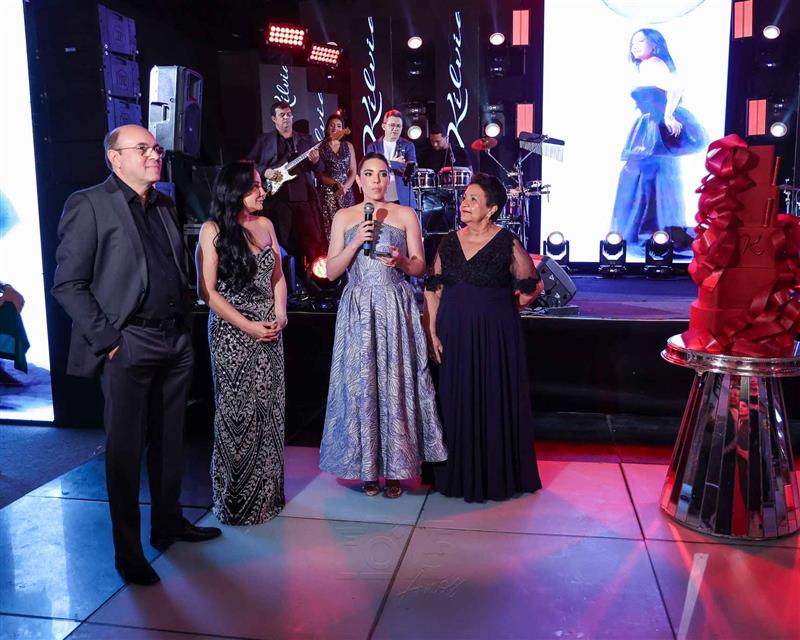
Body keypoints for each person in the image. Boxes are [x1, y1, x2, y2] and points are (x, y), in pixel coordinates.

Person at [51, 125, 221, 585]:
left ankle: (167, 524)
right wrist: (110, 340)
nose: (154, 154)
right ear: (115, 157)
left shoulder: (164, 203)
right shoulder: (89, 204)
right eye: (142, 148)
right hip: (128, 343)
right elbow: (68, 285)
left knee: (170, 441)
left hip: (174, 340)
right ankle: (128, 553)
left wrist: (184, 328)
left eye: (155, 147)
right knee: (125, 451)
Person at [319, 152, 447, 498]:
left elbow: (420, 267)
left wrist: (402, 261)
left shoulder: (405, 214)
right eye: (369, 174)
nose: (376, 180)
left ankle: (396, 468)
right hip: (359, 307)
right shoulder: (345, 217)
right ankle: (367, 468)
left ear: (389, 178)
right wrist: (355, 241)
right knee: (362, 383)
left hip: (394, 305)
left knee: (394, 382)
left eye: (382, 174)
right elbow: (331, 271)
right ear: (359, 179)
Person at [424, 173, 543, 503]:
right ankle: (456, 475)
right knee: (454, 398)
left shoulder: (507, 242)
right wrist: (431, 331)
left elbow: (531, 287)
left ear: (492, 209)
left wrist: (501, 310)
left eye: (473, 199)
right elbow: (434, 290)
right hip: (454, 332)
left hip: (495, 336)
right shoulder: (448, 242)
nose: (464, 203)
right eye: (465, 197)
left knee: (492, 399)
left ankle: (494, 476)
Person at [196, 161, 288, 526]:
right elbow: (208, 292)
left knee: (269, 411)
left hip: (270, 331)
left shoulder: (266, 225)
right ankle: (235, 503)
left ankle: (268, 499)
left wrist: (281, 313)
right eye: (254, 187)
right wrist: (249, 327)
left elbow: (277, 277)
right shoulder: (213, 230)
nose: (262, 191)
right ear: (234, 191)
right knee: (238, 414)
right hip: (233, 333)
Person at [609, 28, 706, 248]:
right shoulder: (648, 65)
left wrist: (668, 115)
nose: (635, 46)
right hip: (650, 126)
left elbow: (676, 88)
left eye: (640, 41)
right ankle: (653, 232)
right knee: (652, 178)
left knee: (644, 177)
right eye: (633, 42)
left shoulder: (653, 64)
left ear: (654, 44)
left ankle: (648, 233)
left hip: (655, 128)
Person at [246, 100, 326, 266]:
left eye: (289, 114)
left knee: (311, 242)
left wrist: (316, 161)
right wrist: (265, 171)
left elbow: (321, 168)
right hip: (278, 200)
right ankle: (287, 276)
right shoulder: (264, 140)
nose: (286, 118)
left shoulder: (305, 140)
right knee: (283, 242)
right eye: (282, 115)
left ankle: (313, 276)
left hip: (303, 198)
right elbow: (249, 162)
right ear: (273, 119)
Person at [416, 123, 474, 236]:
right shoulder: (425, 153)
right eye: (432, 141)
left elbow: (470, 173)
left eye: (438, 141)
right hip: (431, 195)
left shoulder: (459, 152)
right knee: (424, 214)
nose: (435, 144)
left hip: (455, 194)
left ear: (446, 137)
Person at [315, 114, 356, 241]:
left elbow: (353, 171)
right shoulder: (320, 147)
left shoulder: (348, 145)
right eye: (331, 125)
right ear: (327, 128)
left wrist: (345, 187)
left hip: (346, 192)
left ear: (343, 128)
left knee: (350, 228)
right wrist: (336, 184)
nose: (335, 128)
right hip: (328, 193)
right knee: (332, 228)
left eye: (339, 126)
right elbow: (319, 175)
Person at [365, 109, 417, 208]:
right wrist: (392, 163)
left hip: (402, 198)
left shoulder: (408, 146)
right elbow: (371, 172)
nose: (395, 129)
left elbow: (412, 171)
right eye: (392, 125)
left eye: (398, 126)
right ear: (384, 126)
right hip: (380, 196)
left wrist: (388, 165)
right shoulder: (373, 147)